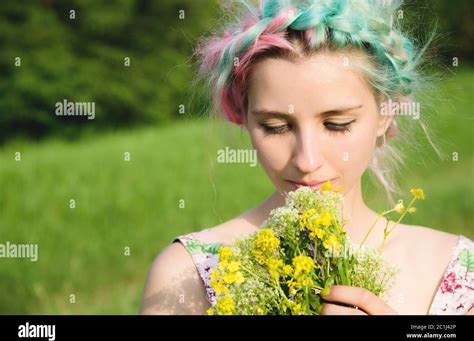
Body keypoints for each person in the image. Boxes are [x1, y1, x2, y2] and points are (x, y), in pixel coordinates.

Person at [140, 0, 473, 315]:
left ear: (385, 114)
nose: (307, 160)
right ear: (243, 116)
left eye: (336, 124)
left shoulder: (454, 273)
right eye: (275, 126)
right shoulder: (187, 277)